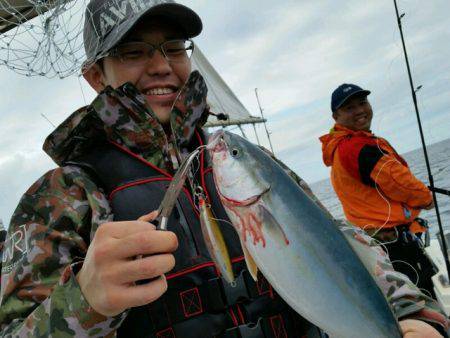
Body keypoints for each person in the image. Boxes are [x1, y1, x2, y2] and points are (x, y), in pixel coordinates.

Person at [0, 2, 447, 337]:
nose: (161, 66)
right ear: (97, 75)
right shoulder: (63, 196)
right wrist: (85, 299)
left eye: (173, 47)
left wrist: (413, 312)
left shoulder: (250, 163)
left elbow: (336, 246)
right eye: (133, 51)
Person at [320, 83, 437, 298]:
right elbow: (397, 180)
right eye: (349, 108)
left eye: (362, 103)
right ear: (336, 117)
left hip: (379, 247)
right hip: (394, 247)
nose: (359, 110)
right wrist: (426, 198)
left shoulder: (344, 146)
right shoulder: (356, 147)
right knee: (422, 307)